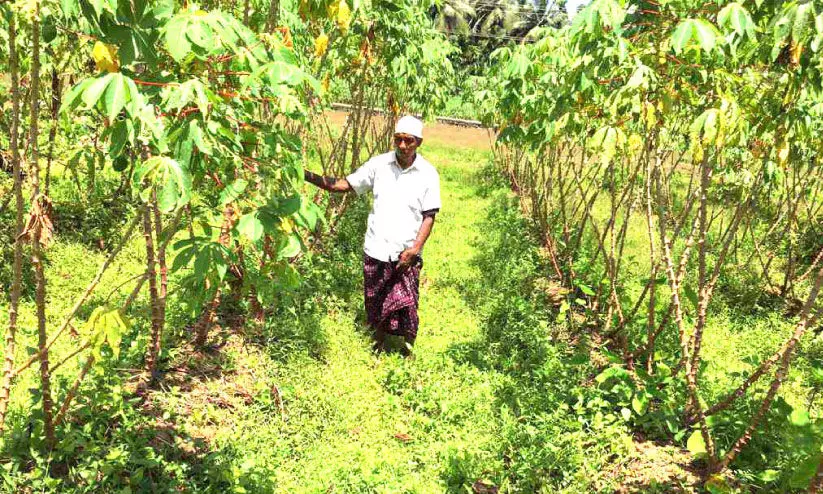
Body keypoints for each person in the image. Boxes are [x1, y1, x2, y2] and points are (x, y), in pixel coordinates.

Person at [303, 115, 441, 355]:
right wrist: (304, 174)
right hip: (376, 247)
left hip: (405, 251)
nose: (402, 146)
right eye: (398, 139)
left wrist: (415, 249)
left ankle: (407, 353)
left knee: (407, 305)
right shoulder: (379, 165)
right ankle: (375, 347)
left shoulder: (428, 174)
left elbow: (429, 215)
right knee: (375, 302)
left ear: (418, 142)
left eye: (408, 141)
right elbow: (343, 185)